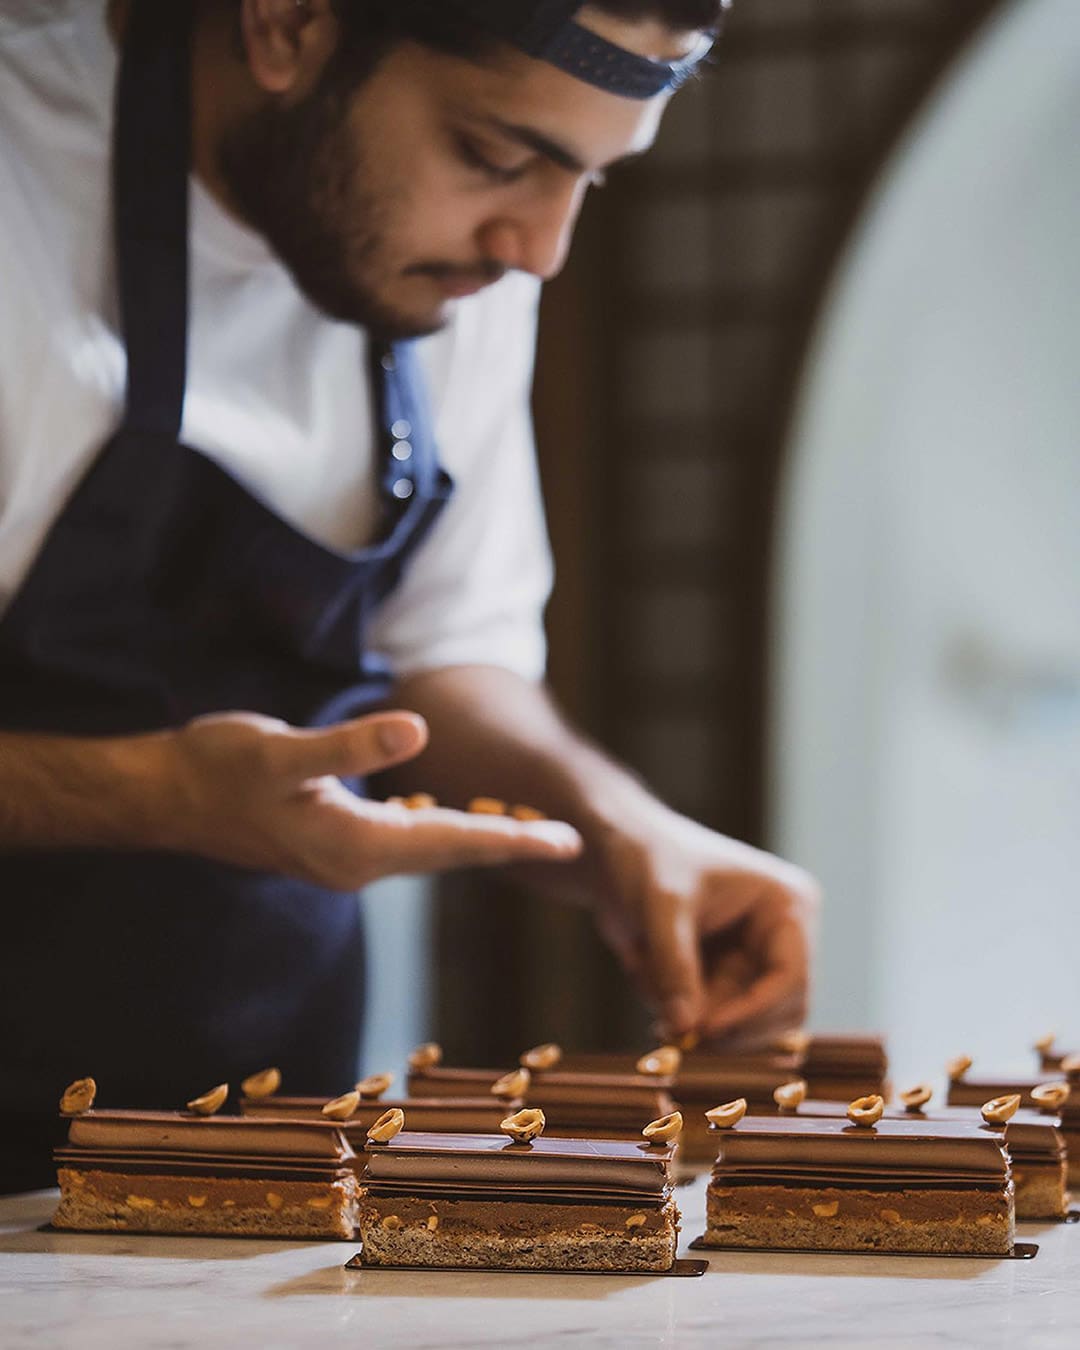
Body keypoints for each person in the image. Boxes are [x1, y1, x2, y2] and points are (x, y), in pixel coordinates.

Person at [0, 0, 817, 1193]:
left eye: (589, 181)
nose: (539, 248)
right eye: (496, 155)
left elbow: (444, 657)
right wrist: (157, 792)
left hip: (251, 1159)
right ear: (288, 24)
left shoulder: (463, 270)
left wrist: (615, 828)